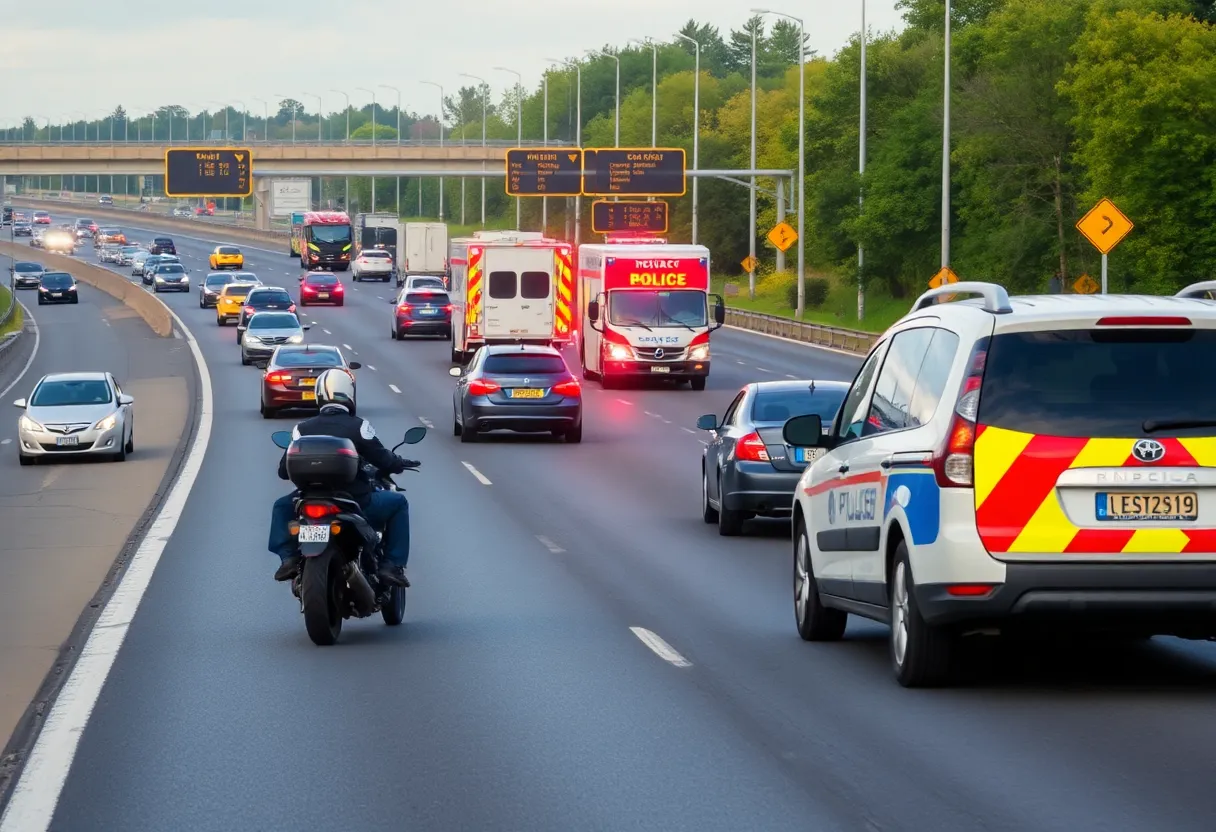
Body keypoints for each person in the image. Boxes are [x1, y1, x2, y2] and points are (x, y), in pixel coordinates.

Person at [267, 369, 416, 587]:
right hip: (355, 500)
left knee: (281, 506)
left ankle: (288, 558)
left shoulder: (302, 428)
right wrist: (400, 462)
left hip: (308, 498)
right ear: (349, 394)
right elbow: (383, 459)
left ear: (319, 395)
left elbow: (283, 470)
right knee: (399, 503)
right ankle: (392, 565)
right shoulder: (359, 426)